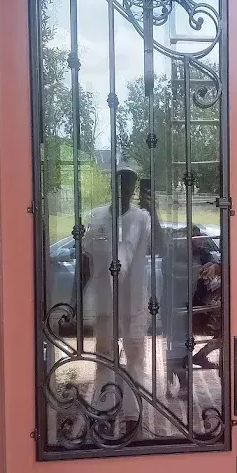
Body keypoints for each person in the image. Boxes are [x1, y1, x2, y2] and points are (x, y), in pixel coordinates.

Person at [83, 162, 151, 427]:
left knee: (135, 357)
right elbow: (85, 258)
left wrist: (153, 209)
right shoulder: (97, 216)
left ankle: (132, 415)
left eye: (129, 184)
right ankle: (105, 410)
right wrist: (76, 300)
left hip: (134, 300)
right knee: (104, 356)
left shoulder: (142, 218)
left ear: (134, 189)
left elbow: (160, 245)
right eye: (120, 182)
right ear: (113, 185)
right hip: (104, 299)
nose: (125, 188)